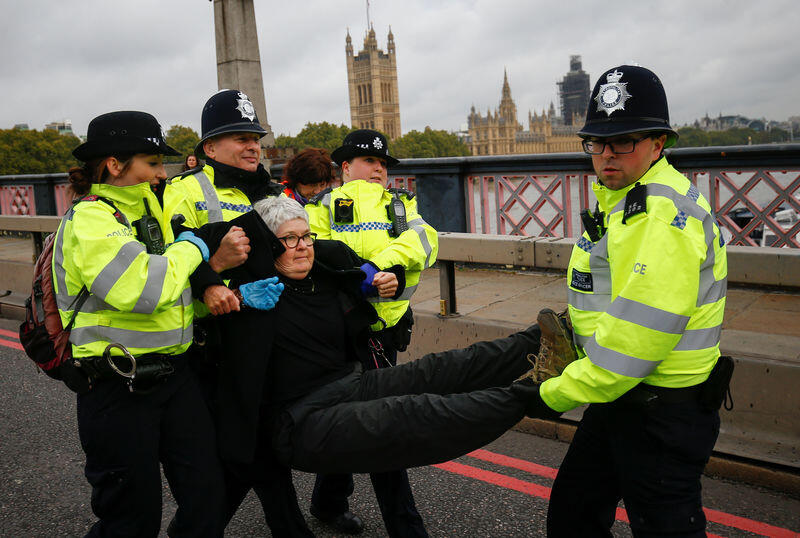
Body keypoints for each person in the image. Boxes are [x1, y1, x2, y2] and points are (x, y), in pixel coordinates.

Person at [192, 196, 559, 492]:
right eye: (290, 240)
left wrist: (389, 279)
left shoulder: (326, 269)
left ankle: (549, 336)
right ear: (267, 246)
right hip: (301, 419)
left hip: (352, 383)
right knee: (421, 412)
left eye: (306, 237)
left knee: (444, 367)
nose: (303, 247)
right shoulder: (249, 293)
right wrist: (216, 280)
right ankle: (540, 394)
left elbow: (368, 273)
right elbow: (191, 244)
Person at [535, 66, 729, 537]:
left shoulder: (661, 216)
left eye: (622, 141)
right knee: (574, 512)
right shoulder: (624, 197)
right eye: (597, 143)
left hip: (660, 406)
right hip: (619, 391)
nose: (606, 154)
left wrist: (549, 393)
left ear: (658, 144)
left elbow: (637, 340)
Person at [55, 111, 226, 537]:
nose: (161, 173)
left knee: (208, 498)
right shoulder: (93, 220)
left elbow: (173, 295)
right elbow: (142, 291)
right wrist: (194, 247)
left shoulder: (152, 211)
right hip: (116, 384)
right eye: (151, 163)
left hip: (176, 376)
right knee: (131, 518)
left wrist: (209, 300)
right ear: (115, 164)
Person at [162, 89, 313, 536]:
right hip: (217, 346)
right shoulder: (185, 191)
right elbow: (169, 257)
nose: (252, 146)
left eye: (256, 138)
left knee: (255, 449)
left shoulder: (275, 191)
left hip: (271, 342)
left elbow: (306, 248)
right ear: (209, 147)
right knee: (243, 452)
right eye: (239, 137)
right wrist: (209, 282)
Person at [305, 130, 438, 536]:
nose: (379, 168)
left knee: (363, 421)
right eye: (369, 161)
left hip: (384, 335)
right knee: (373, 427)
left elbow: (425, 241)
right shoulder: (323, 204)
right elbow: (312, 249)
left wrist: (385, 266)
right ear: (345, 168)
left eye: (383, 163)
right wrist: (358, 273)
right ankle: (403, 526)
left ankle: (329, 503)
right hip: (341, 334)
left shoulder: (399, 205)